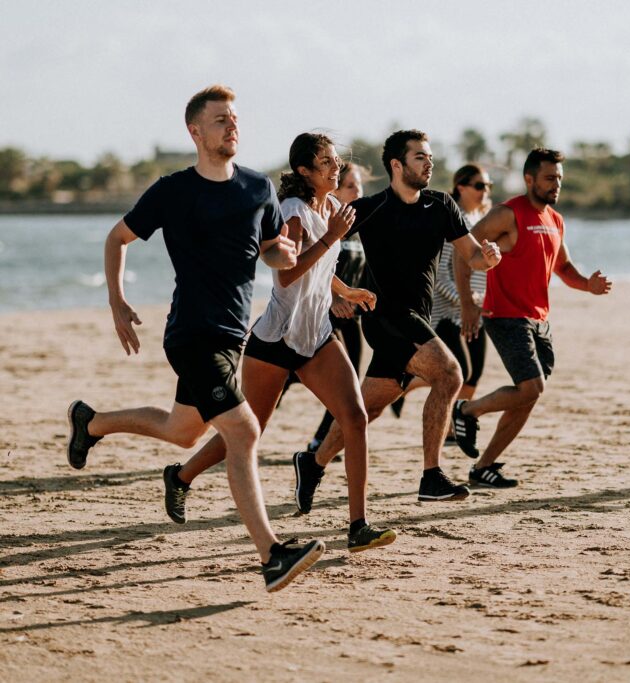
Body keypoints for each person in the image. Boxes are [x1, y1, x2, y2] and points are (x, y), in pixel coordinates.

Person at [64, 85, 325, 591]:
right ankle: (272, 555)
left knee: (182, 431)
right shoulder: (173, 190)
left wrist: (285, 254)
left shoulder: (258, 188)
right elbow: (117, 238)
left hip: (231, 336)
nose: (232, 126)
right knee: (244, 432)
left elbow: (271, 248)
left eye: (235, 119)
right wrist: (117, 301)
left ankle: (90, 422)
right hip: (191, 334)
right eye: (221, 120)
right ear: (196, 132)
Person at [162, 133, 396, 554]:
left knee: (355, 417)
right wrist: (331, 238)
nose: (336, 167)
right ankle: (181, 476)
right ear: (305, 171)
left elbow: (319, 268)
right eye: (326, 162)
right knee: (249, 429)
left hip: (316, 335)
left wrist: (345, 291)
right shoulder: (292, 212)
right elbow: (287, 273)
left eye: (336, 160)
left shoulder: (331, 209)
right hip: (275, 339)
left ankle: (358, 525)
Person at [294, 129, 501, 509]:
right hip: (385, 316)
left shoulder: (441, 205)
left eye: (429, 157)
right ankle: (431, 475)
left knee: (367, 409)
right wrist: (336, 295)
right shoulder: (370, 208)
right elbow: (318, 252)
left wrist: (487, 258)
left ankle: (313, 462)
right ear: (397, 164)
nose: (429, 163)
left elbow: (472, 255)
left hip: (417, 316)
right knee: (450, 374)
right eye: (420, 157)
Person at [451, 148, 612, 488]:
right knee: (532, 387)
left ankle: (483, 467)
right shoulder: (507, 214)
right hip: (505, 316)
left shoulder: (555, 220)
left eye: (559, 178)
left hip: (539, 319)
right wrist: (467, 303)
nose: (556, 185)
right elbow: (462, 252)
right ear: (529, 179)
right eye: (549, 178)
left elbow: (563, 268)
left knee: (528, 395)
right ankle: (467, 411)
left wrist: (588, 285)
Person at [391, 164, 493, 426]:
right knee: (460, 371)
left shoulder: (481, 219)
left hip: (476, 309)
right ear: (461, 187)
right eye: (479, 185)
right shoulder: (453, 219)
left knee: (474, 374)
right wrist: (464, 301)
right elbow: (439, 275)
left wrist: (481, 301)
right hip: (448, 312)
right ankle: (404, 386)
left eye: (488, 186)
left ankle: (455, 427)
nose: (485, 191)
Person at [305, 162, 372, 452]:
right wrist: (334, 298)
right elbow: (311, 267)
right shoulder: (328, 225)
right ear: (335, 190)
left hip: (350, 318)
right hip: (322, 315)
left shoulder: (359, 227)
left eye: (360, 186)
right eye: (350, 186)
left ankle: (321, 439)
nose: (358, 192)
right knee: (290, 377)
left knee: (349, 383)